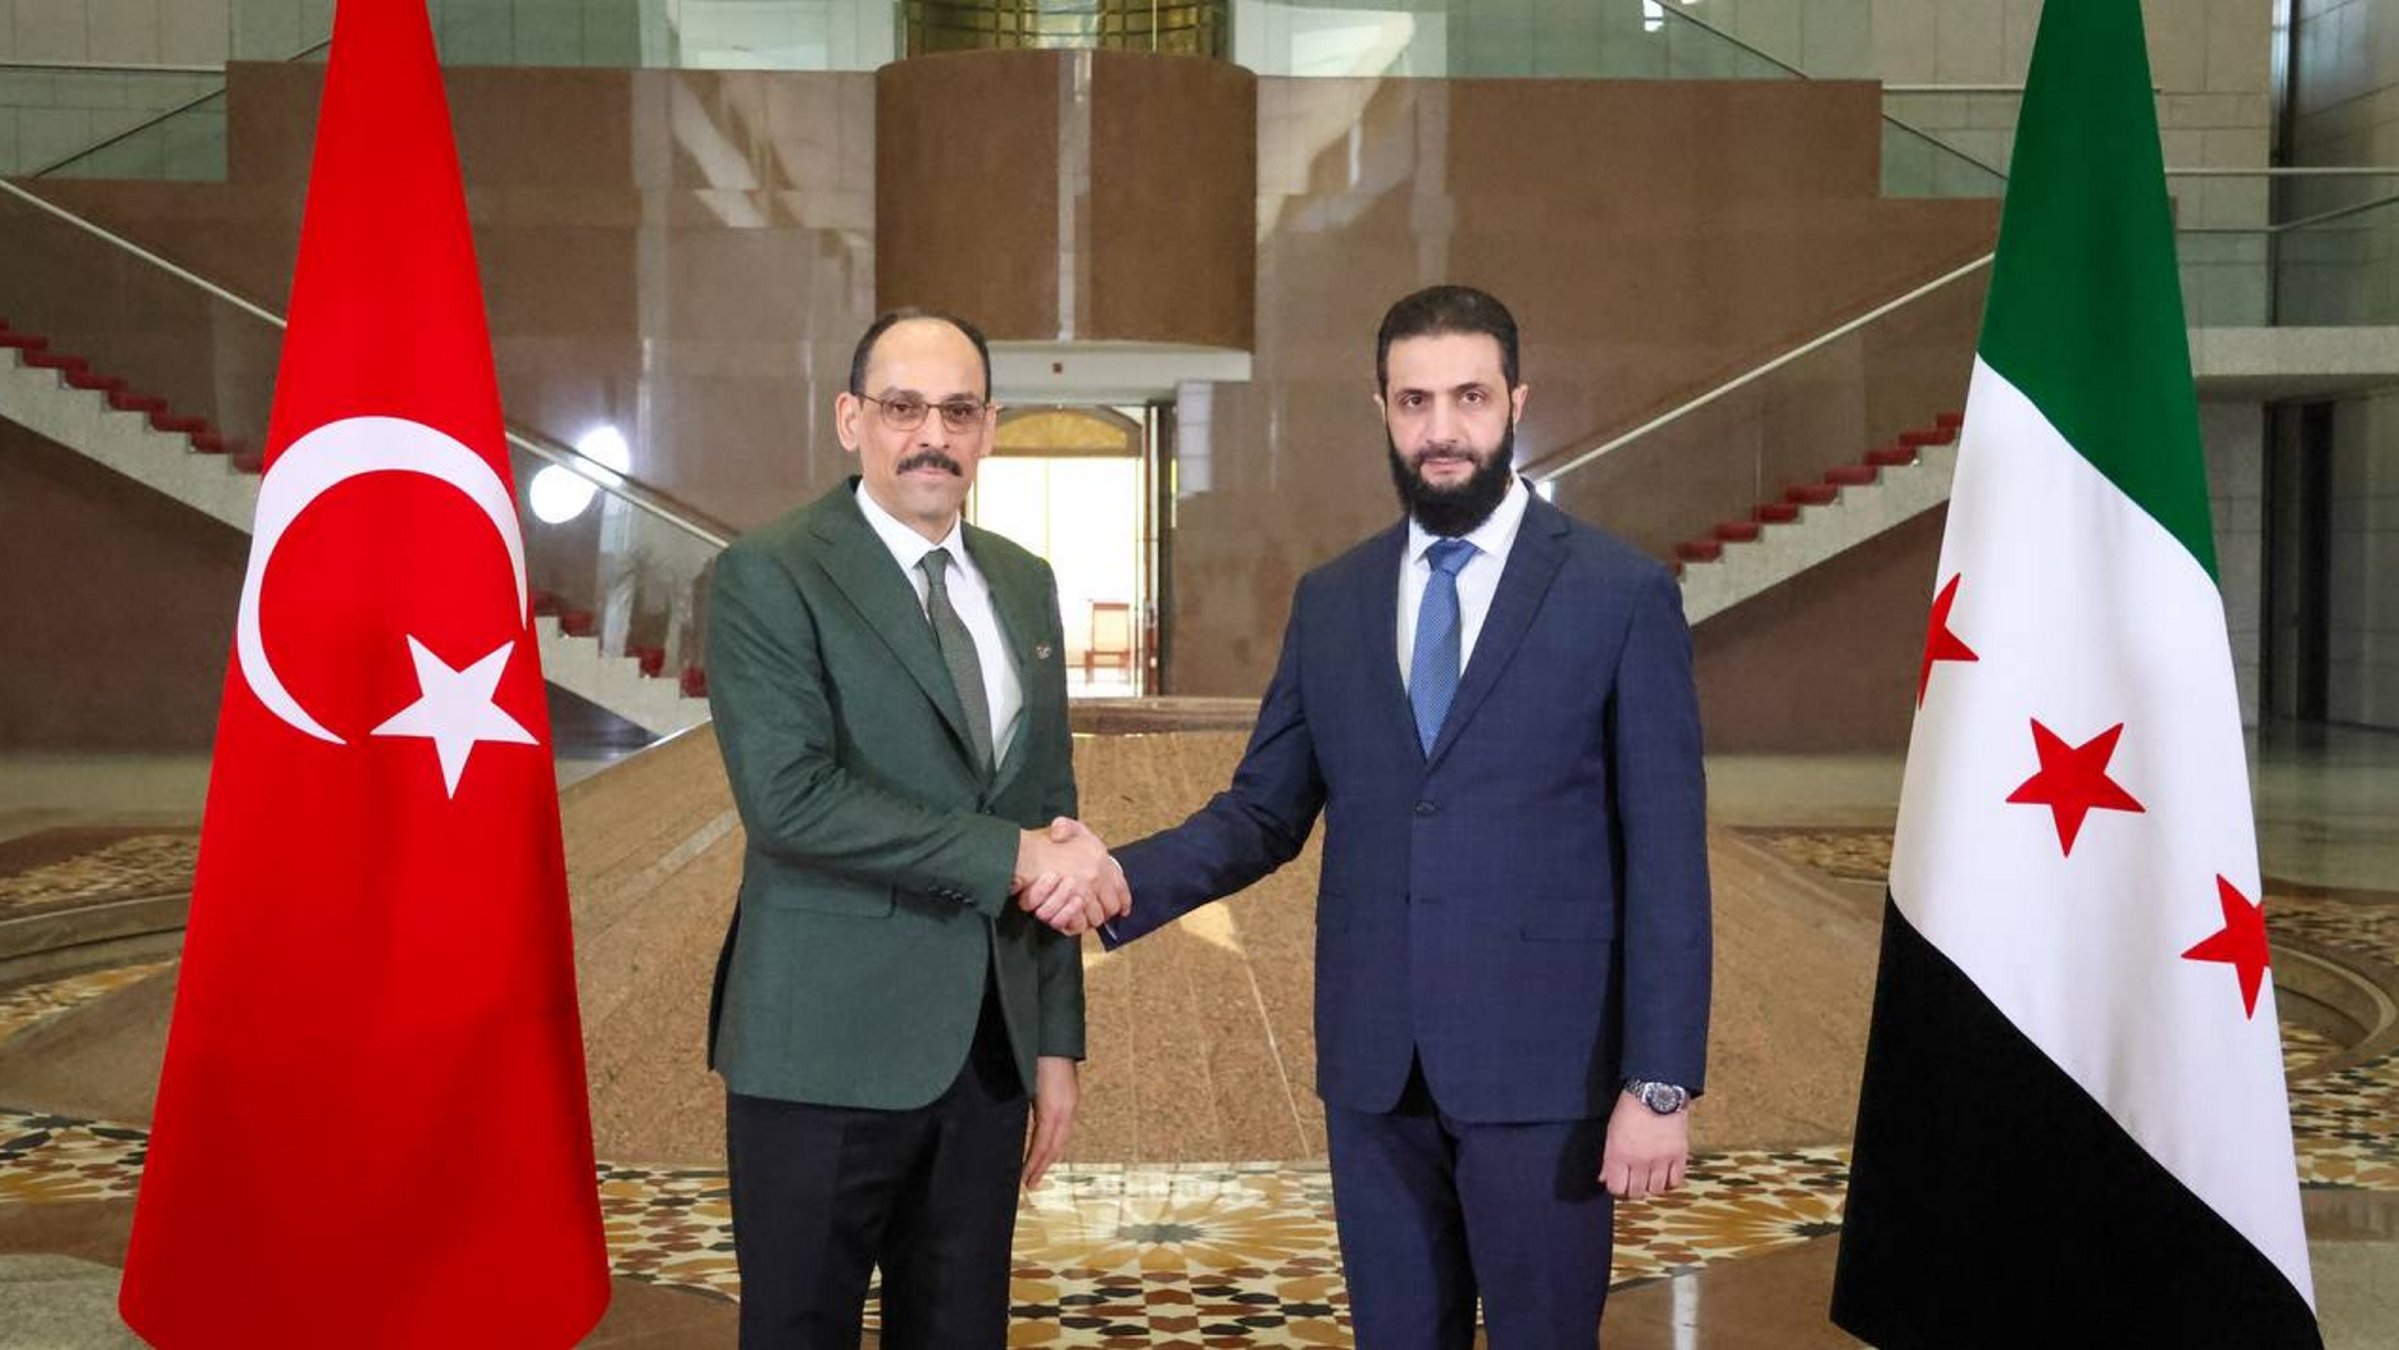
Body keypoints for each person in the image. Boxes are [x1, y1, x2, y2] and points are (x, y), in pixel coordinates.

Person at [1035, 284, 1712, 1347]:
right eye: (1413, 402)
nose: (1441, 430)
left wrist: (1658, 1083)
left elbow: (1667, 856)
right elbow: (1263, 811)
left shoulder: (1617, 594)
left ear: (1514, 402)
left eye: (1468, 397)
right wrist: (1116, 874)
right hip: (1373, 1074)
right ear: (1381, 410)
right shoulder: (1334, 599)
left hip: (1547, 1077)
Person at [704, 308, 1129, 1348]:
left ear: (987, 428)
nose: (929, 433)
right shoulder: (771, 573)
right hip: (819, 1051)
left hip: (983, 1052)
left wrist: (1054, 1039)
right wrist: (1016, 856)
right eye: (901, 407)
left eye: (957, 409)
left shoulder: (1022, 582)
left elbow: (1047, 814)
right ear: (851, 419)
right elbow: (789, 796)